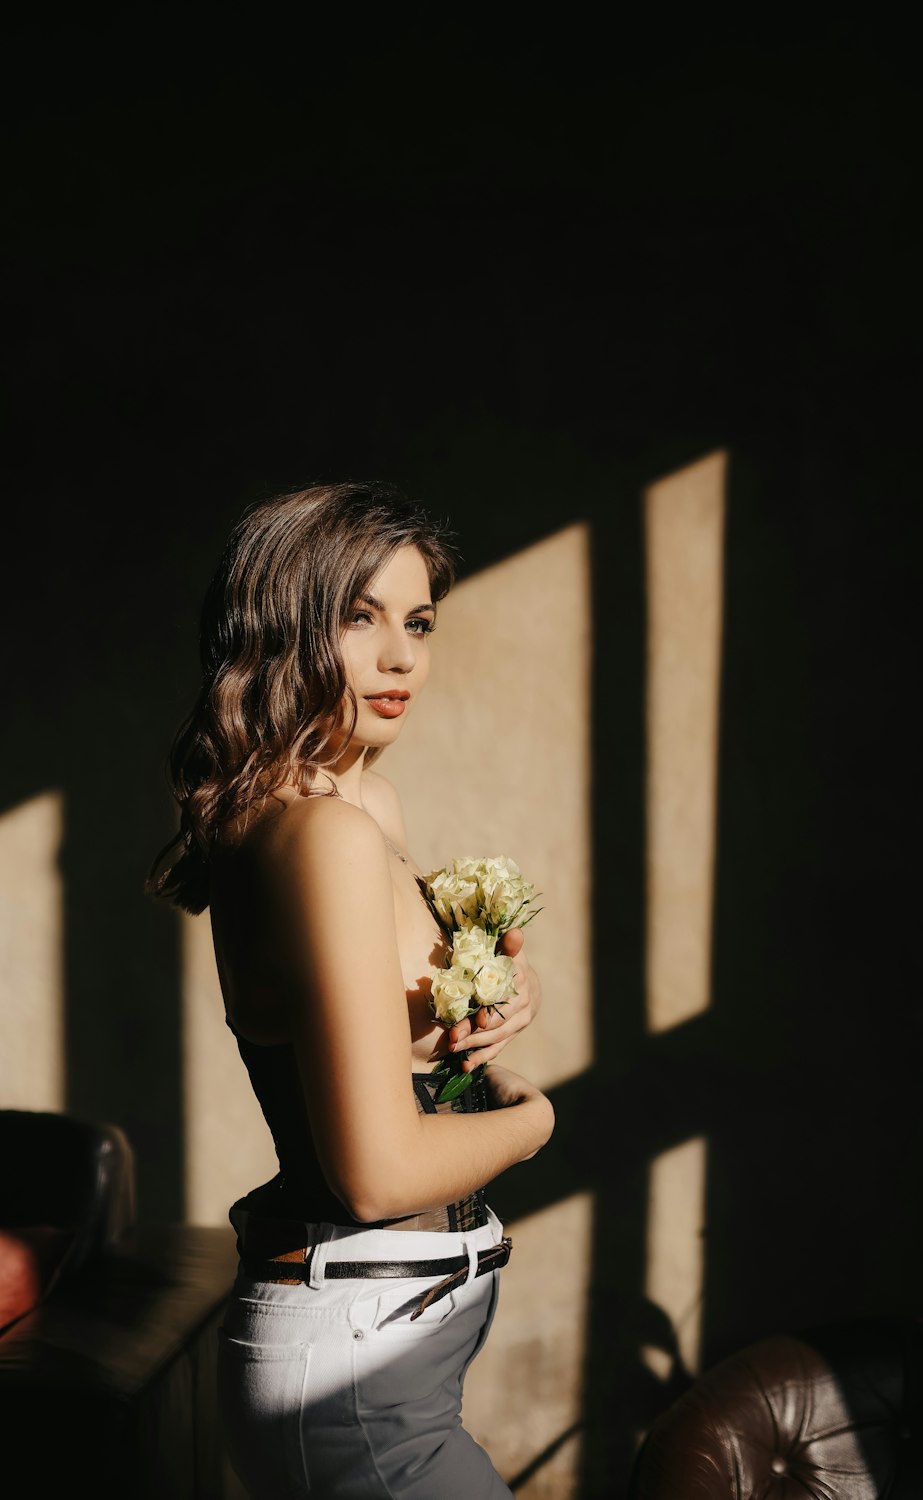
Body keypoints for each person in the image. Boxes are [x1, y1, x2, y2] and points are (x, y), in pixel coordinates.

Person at [147, 480, 555, 1499]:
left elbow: (388, 1018)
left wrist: (499, 990)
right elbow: (374, 1171)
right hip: (353, 1369)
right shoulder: (318, 832)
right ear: (278, 630)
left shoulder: (357, 801)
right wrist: (536, 1120)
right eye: (357, 617)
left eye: (417, 621)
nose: (402, 657)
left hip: (388, 1352)